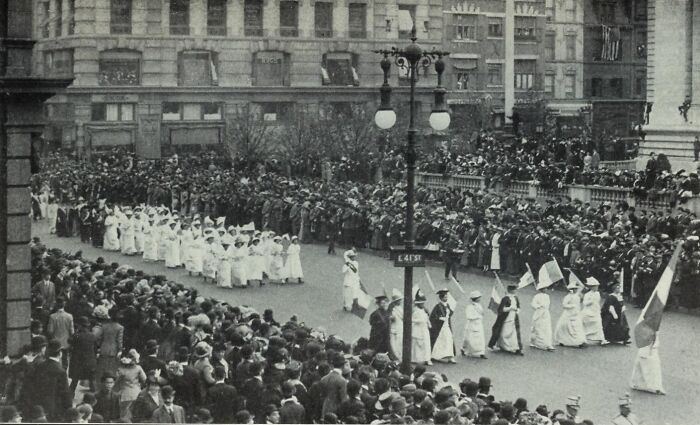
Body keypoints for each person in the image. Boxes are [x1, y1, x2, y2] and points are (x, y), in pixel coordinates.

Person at [30, 339, 72, 422]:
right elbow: (65, 393)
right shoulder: (61, 371)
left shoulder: (40, 366)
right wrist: (69, 409)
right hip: (55, 409)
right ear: (60, 353)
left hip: (40, 406)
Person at [488, 284, 523, 355]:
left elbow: (518, 306)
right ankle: (504, 346)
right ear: (510, 290)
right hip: (506, 317)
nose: (515, 291)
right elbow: (501, 309)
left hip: (514, 317)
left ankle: (515, 347)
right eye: (514, 290)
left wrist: (517, 310)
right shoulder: (505, 298)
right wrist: (510, 308)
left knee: (514, 333)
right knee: (504, 332)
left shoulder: (516, 298)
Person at [554, 282, 587, 348]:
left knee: (577, 327)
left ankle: (580, 342)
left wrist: (581, 298)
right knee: (564, 326)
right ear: (571, 289)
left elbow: (579, 302)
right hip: (568, 313)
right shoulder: (568, 297)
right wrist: (572, 306)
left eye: (576, 289)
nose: (575, 290)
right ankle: (563, 340)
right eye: (574, 289)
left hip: (576, 313)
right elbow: (564, 305)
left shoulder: (577, 296)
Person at [430, 289, 457, 364]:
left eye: (447, 297)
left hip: (446, 326)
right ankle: (435, 355)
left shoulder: (447, 305)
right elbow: (432, 317)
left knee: (449, 340)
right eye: (445, 297)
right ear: (441, 298)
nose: (446, 298)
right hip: (440, 327)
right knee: (440, 341)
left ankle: (450, 357)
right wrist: (439, 318)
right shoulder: (438, 306)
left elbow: (449, 315)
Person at [47, 298, 74, 368]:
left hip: (56, 342)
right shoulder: (69, 316)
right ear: (64, 305)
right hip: (66, 342)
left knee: (55, 361)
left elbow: (50, 331)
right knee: (65, 361)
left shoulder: (52, 316)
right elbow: (72, 331)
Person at [581, 278, 608, 345]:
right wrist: (590, 301)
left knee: (599, 325)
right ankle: (583, 338)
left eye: (597, 286)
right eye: (595, 286)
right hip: (588, 312)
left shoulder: (597, 294)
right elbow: (584, 303)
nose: (597, 287)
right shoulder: (587, 294)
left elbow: (597, 302)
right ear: (591, 287)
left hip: (595, 312)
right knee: (585, 325)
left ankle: (602, 339)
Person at [461, 290, 487, 359]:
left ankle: (481, 352)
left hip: (479, 324)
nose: (480, 299)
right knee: (469, 338)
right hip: (472, 324)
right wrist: (477, 317)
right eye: (479, 297)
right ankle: (463, 349)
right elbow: (468, 316)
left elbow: (482, 313)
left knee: (480, 338)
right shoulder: (469, 307)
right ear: (476, 298)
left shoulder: (479, 306)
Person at [529, 285, 555, 351]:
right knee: (538, 327)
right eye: (543, 288)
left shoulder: (547, 296)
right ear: (540, 289)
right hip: (538, 312)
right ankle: (536, 342)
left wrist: (544, 308)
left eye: (546, 288)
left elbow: (548, 304)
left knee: (546, 328)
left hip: (545, 313)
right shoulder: (537, 296)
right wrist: (538, 306)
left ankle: (547, 343)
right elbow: (533, 304)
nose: (545, 289)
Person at [411, 290, 432, 365]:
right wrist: (419, 320)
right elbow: (412, 319)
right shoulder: (415, 311)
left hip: (424, 329)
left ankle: (427, 358)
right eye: (421, 303)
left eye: (423, 303)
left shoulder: (424, 310)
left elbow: (427, 318)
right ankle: (417, 359)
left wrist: (429, 323)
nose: (423, 305)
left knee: (426, 344)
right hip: (418, 329)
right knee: (418, 344)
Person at [389, 293, 403, 361]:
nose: (400, 301)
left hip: (400, 326)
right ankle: (396, 356)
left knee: (400, 342)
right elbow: (389, 317)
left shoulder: (400, 308)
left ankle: (400, 356)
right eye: (399, 300)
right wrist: (391, 317)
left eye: (400, 300)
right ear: (396, 301)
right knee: (394, 343)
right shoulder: (392, 309)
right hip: (394, 327)